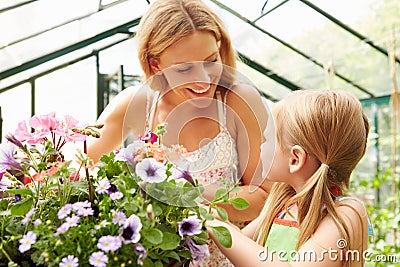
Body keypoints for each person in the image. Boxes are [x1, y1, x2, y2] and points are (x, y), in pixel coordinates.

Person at [87, 0, 272, 265]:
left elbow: (264, 197)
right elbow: (80, 165)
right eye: (185, 69)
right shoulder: (138, 103)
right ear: (155, 65)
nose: (204, 79)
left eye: (211, 61)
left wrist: (187, 193)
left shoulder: (239, 102)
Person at [207, 90, 371, 267]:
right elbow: (242, 247)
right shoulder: (283, 204)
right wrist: (215, 220)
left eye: (268, 139)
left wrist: (219, 227)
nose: (261, 145)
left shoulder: (345, 213)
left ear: (295, 159)